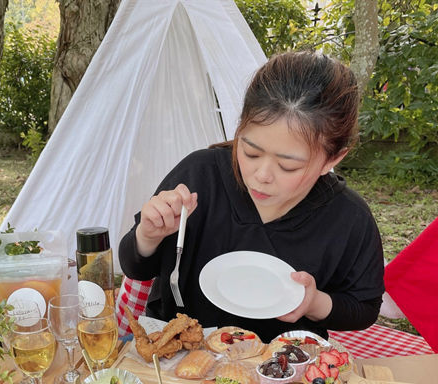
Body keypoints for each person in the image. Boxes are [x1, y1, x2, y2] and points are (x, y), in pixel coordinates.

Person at [118, 51, 385, 343]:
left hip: (283, 365)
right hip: (179, 354)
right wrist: (148, 235)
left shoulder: (348, 218)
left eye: (288, 165)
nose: (262, 175)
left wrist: (314, 303)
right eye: (250, 151)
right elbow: (135, 266)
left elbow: (364, 308)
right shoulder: (201, 175)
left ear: (332, 159)